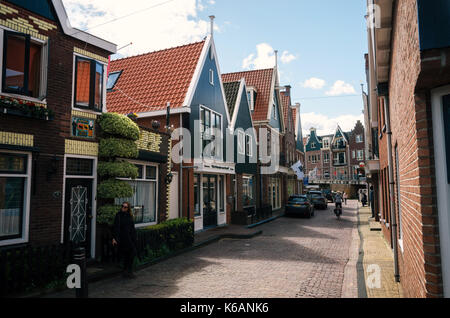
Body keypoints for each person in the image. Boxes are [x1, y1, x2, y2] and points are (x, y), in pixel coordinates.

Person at [112, 202, 137, 279]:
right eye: (122, 206)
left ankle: (128, 271)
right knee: (126, 255)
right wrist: (114, 238)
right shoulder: (118, 215)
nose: (123, 208)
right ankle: (126, 272)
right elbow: (115, 227)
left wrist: (134, 237)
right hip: (122, 238)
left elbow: (132, 228)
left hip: (129, 238)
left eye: (125, 207)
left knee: (131, 254)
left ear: (128, 208)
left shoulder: (130, 216)